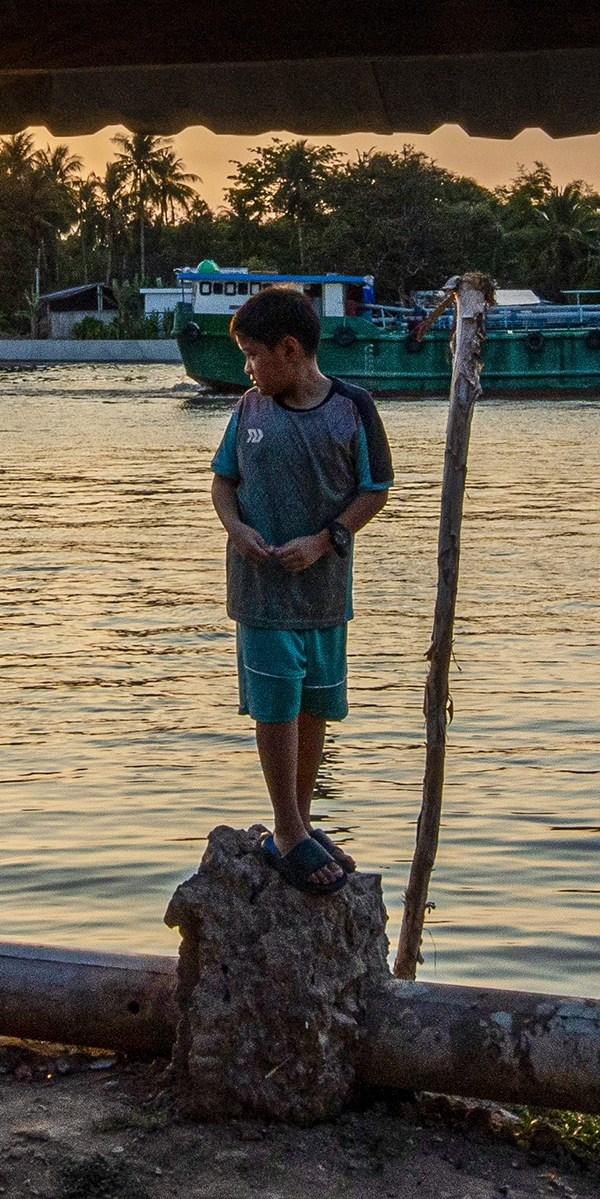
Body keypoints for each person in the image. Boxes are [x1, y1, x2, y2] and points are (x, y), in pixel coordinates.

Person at [210, 288, 393, 895]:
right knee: (275, 705)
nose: (248, 368)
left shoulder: (354, 409)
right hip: (260, 594)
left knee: (314, 703)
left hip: (323, 593)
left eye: (254, 355)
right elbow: (223, 483)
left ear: (291, 350)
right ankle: (287, 830)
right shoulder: (247, 410)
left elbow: (375, 490)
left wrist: (324, 540)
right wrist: (237, 530)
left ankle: (300, 822)